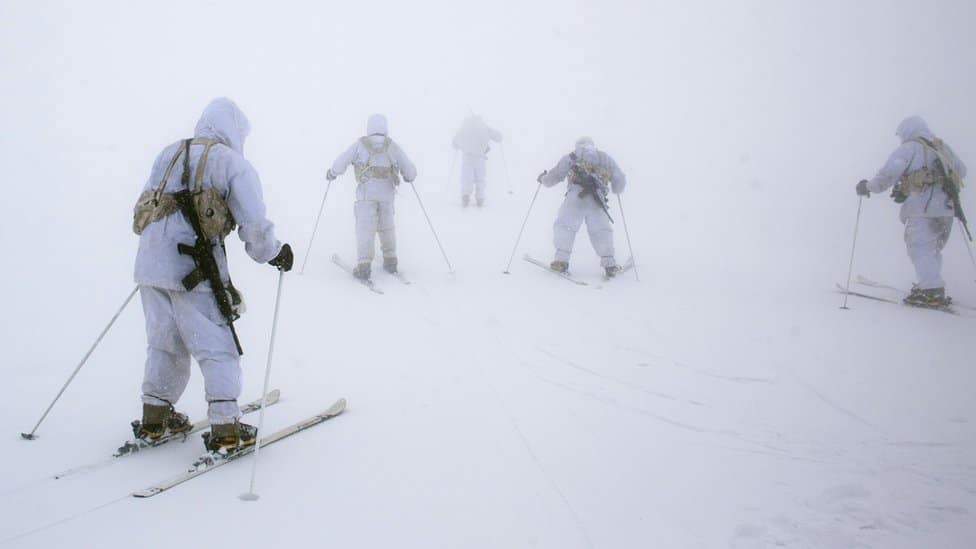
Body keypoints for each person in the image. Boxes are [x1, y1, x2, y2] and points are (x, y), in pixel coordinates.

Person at [131, 98, 293, 451]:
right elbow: (254, 225)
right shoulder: (232, 163)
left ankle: (155, 418)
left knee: (165, 342)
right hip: (194, 266)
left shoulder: (168, 153)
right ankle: (225, 430)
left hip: (148, 263)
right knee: (216, 345)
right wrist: (273, 253)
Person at [856, 116, 968, 308]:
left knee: (919, 247)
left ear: (908, 130)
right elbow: (962, 170)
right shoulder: (941, 147)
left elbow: (889, 173)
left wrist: (869, 187)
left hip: (923, 208)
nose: (901, 138)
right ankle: (929, 283)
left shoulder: (910, 148)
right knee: (932, 249)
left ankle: (931, 291)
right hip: (947, 208)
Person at [327, 114, 417, 280]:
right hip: (387, 194)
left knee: (365, 229)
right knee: (387, 227)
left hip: (366, 194)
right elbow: (409, 168)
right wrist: (409, 176)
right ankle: (391, 260)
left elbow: (343, 160)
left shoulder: (361, 145)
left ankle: (364, 265)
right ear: (385, 128)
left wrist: (333, 172)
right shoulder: (391, 146)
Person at [537, 137, 627, 278]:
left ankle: (561, 261)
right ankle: (610, 264)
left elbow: (555, 176)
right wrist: (617, 188)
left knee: (565, 227)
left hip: (575, 196)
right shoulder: (604, 158)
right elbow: (619, 179)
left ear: (578, 145)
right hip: (597, 199)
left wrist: (543, 179)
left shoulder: (572, 156)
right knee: (601, 231)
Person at [452, 114, 503, 207]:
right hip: (480, 157)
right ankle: (480, 198)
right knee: (480, 178)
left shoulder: (464, 126)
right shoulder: (483, 126)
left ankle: (465, 196)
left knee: (466, 178)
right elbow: (497, 137)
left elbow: (455, 142)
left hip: (467, 156)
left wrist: (457, 145)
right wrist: (499, 136)